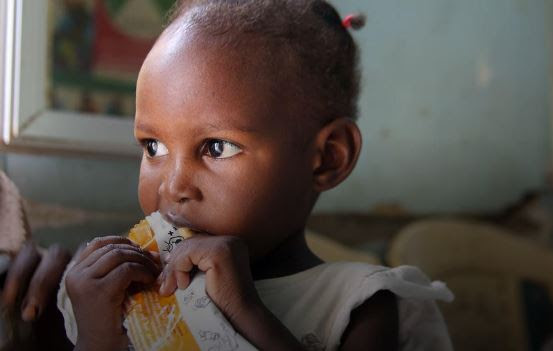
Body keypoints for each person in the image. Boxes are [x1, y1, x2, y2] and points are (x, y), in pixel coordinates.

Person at [6, 1, 454, 350]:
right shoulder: (125, 295)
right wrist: (95, 340)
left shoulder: (360, 304)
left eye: (217, 147)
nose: (173, 186)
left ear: (328, 159)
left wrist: (247, 310)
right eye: (153, 147)